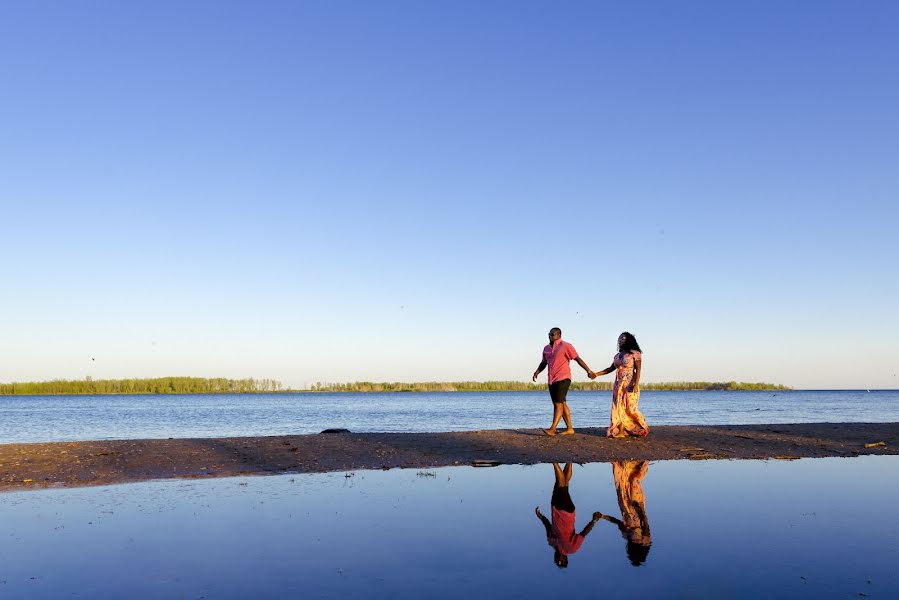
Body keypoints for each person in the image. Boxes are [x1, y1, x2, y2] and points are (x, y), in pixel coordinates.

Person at [534, 462, 603, 568]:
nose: (556, 558)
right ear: (565, 559)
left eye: (556, 560)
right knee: (561, 484)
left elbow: (548, 526)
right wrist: (594, 520)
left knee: (564, 485)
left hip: (562, 510)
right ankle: (554, 462)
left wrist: (541, 516)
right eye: (559, 560)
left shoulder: (552, 543)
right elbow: (583, 534)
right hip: (565, 512)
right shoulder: (571, 549)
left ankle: (569, 461)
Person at [532, 327, 596, 436]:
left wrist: (589, 371)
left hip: (563, 378)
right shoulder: (546, 348)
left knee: (558, 404)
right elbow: (543, 362)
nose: (550, 336)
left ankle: (552, 429)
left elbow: (577, 359)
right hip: (551, 379)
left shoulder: (566, 346)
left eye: (552, 334)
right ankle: (570, 428)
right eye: (549, 334)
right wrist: (537, 371)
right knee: (562, 403)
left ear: (559, 335)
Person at [595, 460, 652, 565]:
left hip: (625, 506)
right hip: (637, 508)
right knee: (635, 480)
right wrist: (641, 508)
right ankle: (641, 464)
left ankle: (623, 465)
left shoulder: (627, 536)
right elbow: (646, 523)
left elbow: (617, 522)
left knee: (624, 484)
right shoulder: (645, 541)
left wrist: (603, 516)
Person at [593, 331, 648, 438]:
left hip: (630, 382)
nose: (620, 340)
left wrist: (636, 384)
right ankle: (621, 431)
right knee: (619, 407)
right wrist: (596, 374)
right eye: (619, 338)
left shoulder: (635, 353)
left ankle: (641, 426)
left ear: (629, 340)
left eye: (623, 338)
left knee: (631, 408)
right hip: (618, 384)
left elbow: (638, 369)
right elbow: (610, 368)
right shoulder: (617, 356)